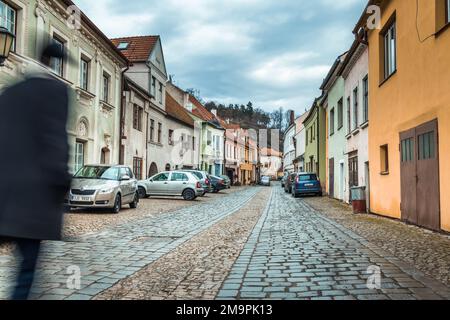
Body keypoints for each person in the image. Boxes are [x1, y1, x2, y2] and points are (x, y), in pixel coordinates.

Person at [0, 43, 71, 300]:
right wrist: (62, 183)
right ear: (53, 64)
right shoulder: (56, 91)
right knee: (26, 269)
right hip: (33, 199)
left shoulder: (8, 92)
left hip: (3, 196)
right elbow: (55, 141)